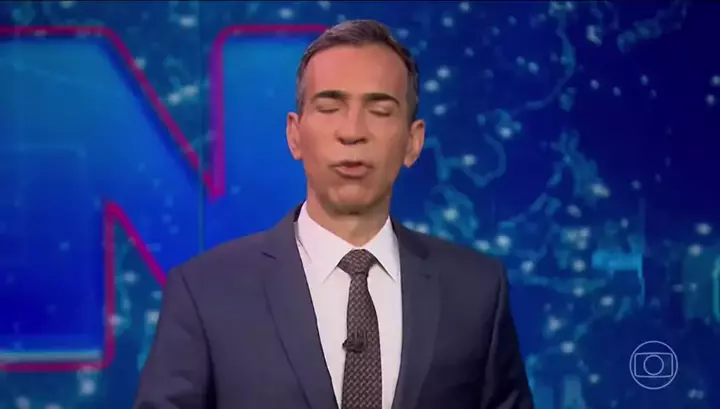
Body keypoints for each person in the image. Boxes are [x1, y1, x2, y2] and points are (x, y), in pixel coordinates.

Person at [133, 19, 534, 409]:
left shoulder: (476, 290)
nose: (352, 132)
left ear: (413, 142)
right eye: (329, 108)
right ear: (295, 135)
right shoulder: (206, 291)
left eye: (380, 111)